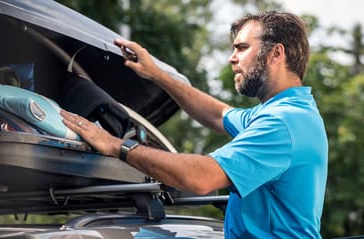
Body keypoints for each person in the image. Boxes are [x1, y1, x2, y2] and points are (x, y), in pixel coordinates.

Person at [61, 11, 328, 239]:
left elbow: (202, 178)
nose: (231, 58)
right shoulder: (287, 112)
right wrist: (157, 75)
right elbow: (218, 113)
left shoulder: (282, 123)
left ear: (276, 53)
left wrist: (116, 145)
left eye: (242, 48)